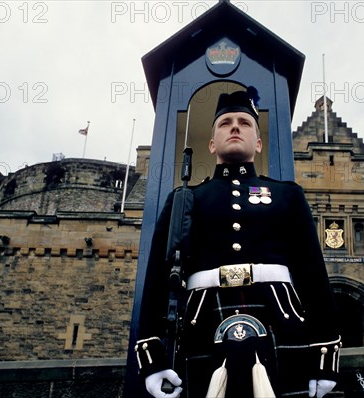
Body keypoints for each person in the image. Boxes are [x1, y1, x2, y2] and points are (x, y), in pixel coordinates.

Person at [135, 89, 341, 397]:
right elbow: (156, 278)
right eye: (225, 123)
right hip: (202, 321)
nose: (235, 127)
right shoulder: (185, 198)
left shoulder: (288, 194)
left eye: (244, 122)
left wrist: (325, 355)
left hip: (281, 317)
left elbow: (313, 276)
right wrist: (151, 357)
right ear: (212, 143)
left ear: (258, 144)